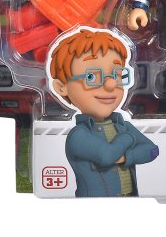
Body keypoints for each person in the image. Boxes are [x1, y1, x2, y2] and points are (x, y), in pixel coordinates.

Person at [49, 27, 159, 197]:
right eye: (91, 76)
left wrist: (125, 157)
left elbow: (153, 151)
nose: (110, 84)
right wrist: (130, 138)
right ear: (61, 87)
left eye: (117, 75)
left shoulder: (122, 125)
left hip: (130, 201)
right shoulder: (78, 135)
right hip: (94, 205)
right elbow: (106, 156)